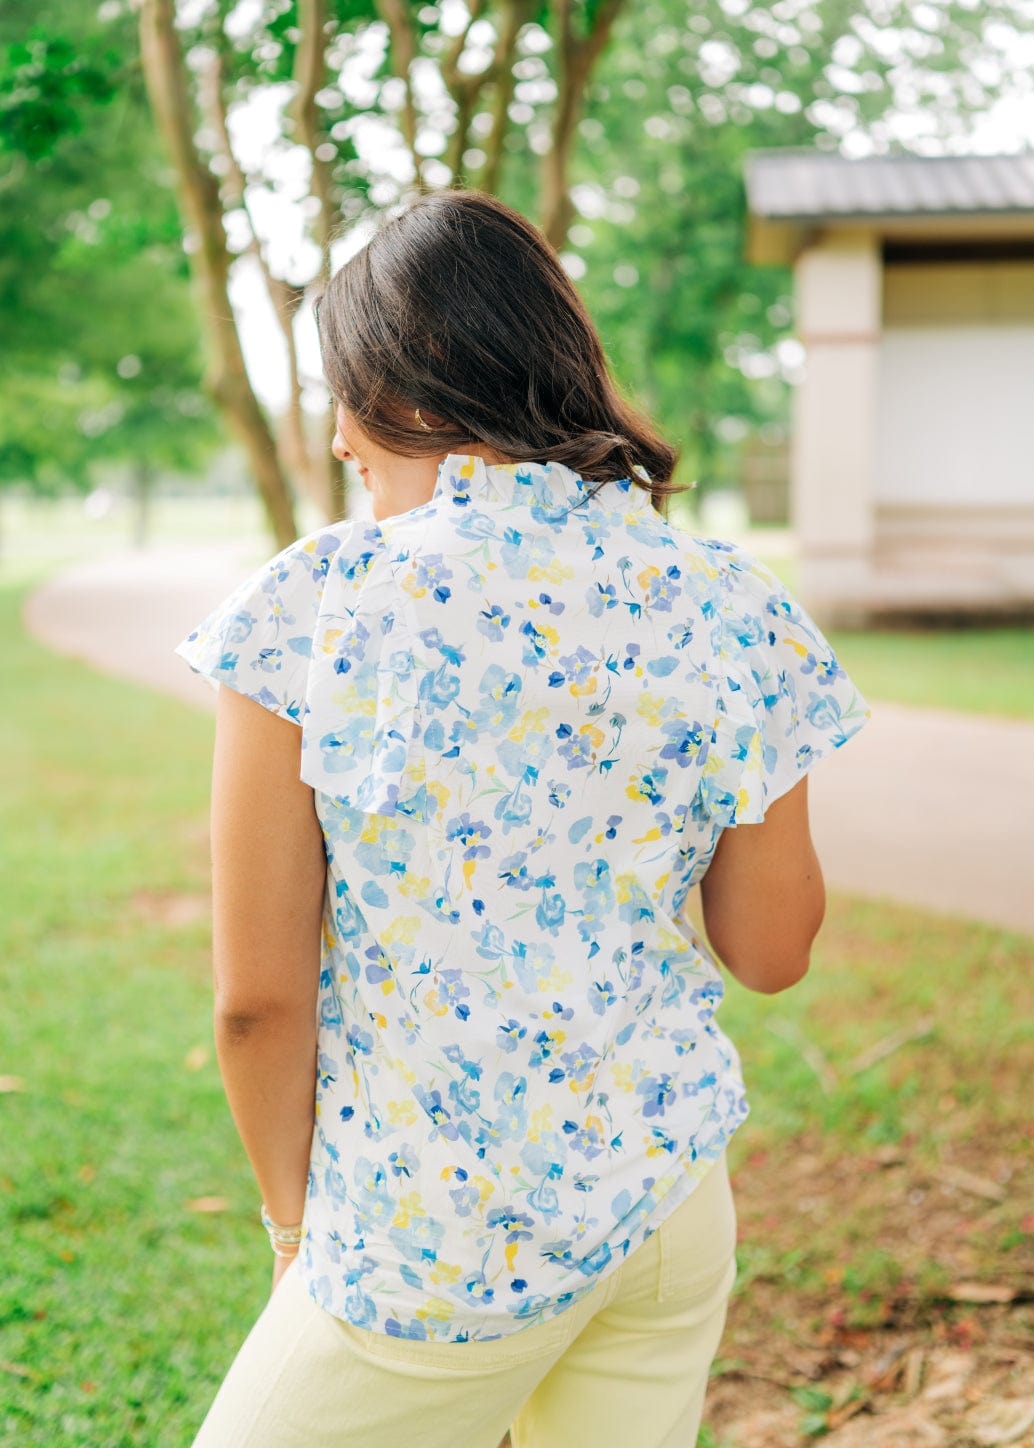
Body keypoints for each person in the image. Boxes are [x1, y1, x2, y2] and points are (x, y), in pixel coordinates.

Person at [176, 190, 868, 1448]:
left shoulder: (317, 604)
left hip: (431, 1244)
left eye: (346, 392)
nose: (336, 438)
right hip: (667, 1209)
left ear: (403, 396)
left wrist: (294, 1233)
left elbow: (255, 1002)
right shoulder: (726, 601)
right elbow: (771, 952)